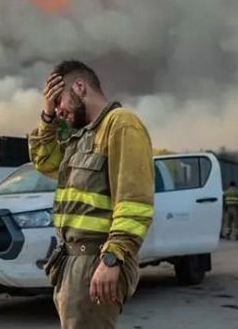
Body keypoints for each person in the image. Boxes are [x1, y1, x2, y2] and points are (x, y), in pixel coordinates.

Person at [28, 60, 154, 329]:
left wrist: (113, 258)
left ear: (80, 87)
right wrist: (47, 117)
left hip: (96, 261)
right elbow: (44, 161)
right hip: (71, 263)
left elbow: (134, 203)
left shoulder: (121, 125)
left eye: (59, 100)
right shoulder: (81, 137)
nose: (59, 110)